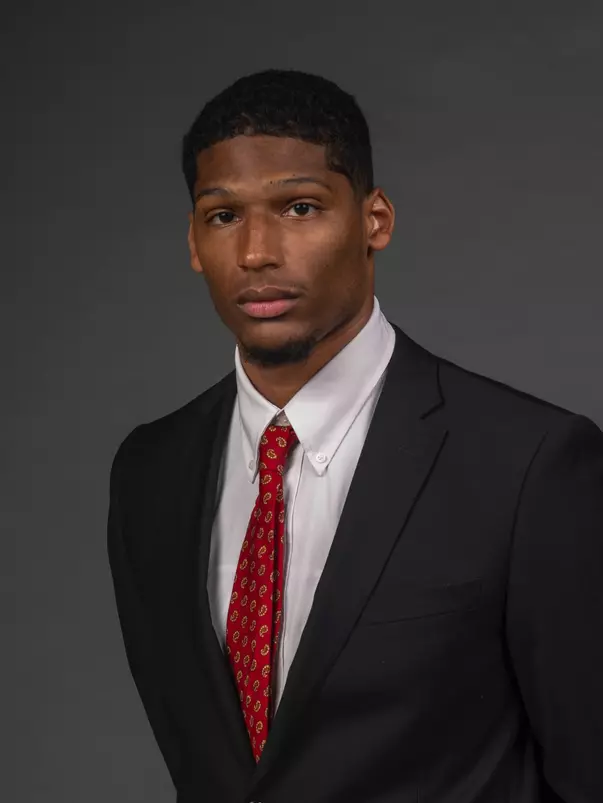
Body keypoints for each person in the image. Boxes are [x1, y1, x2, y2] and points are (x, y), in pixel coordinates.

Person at [107, 69, 603, 803]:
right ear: (191, 239)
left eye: (299, 207)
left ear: (374, 219)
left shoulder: (530, 463)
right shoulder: (150, 470)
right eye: (222, 216)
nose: (256, 252)